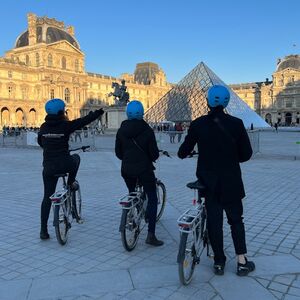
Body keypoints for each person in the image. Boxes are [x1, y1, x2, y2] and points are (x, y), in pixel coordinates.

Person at [178, 85, 255, 276]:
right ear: (227, 102)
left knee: (214, 222)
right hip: (231, 181)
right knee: (236, 221)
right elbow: (246, 154)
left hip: (209, 182)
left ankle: (219, 262)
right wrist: (230, 157)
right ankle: (242, 261)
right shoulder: (236, 124)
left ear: (208, 101)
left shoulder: (197, 124)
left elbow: (182, 152)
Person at [38, 98, 104, 240]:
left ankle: (43, 230)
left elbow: (40, 142)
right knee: (76, 158)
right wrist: (98, 113)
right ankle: (70, 182)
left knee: (46, 197)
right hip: (64, 163)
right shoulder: (65, 125)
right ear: (61, 111)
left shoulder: (43, 127)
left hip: (48, 167)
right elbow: (82, 121)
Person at [115, 100, 163, 246]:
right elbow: (154, 154)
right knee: (152, 198)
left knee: (132, 193)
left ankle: (134, 213)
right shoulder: (147, 130)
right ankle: (151, 235)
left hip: (127, 170)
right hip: (144, 170)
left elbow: (118, 153)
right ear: (142, 113)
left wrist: (128, 159)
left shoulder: (121, 130)